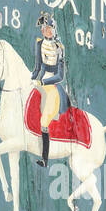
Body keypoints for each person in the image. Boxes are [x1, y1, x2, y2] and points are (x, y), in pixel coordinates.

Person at [31, 12, 69, 167]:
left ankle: (45, 159)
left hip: (52, 84)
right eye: (45, 28)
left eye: (50, 28)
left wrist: (44, 81)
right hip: (40, 80)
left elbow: (60, 75)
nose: (47, 30)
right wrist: (33, 78)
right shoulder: (39, 44)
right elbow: (37, 66)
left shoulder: (59, 48)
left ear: (54, 29)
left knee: (44, 120)